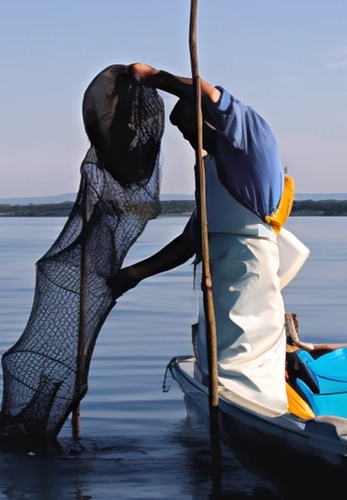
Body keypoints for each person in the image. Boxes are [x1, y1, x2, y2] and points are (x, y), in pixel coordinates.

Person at [104, 63, 305, 415]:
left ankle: (262, 420)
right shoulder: (209, 169)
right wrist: (133, 274)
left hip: (249, 277)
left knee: (245, 363)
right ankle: (228, 416)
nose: (187, 138)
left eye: (188, 128)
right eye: (182, 133)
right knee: (216, 360)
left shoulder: (251, 144)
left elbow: (208, 92)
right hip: (219, 283)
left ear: (208, 119)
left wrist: (155, 78)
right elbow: (190, 240)